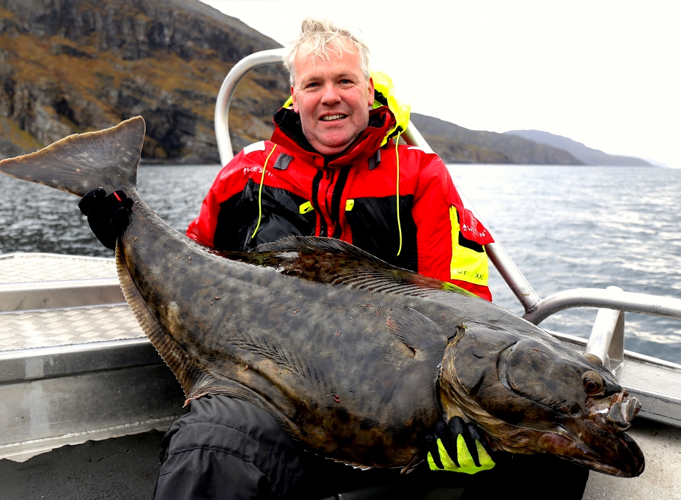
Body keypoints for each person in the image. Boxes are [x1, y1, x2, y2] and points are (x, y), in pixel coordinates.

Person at [79, 17, 588, 500]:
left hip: (402, 421)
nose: (330, 97)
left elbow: (465, 308)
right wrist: (125, 230)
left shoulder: (420, 178)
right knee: (208, 451)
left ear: (368, 90)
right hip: (266, 399)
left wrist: (459, 416)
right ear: (294, 96)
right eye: (313, 83)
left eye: (345, 80)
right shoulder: (243, 175)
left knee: (553, 452)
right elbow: (193, 267)